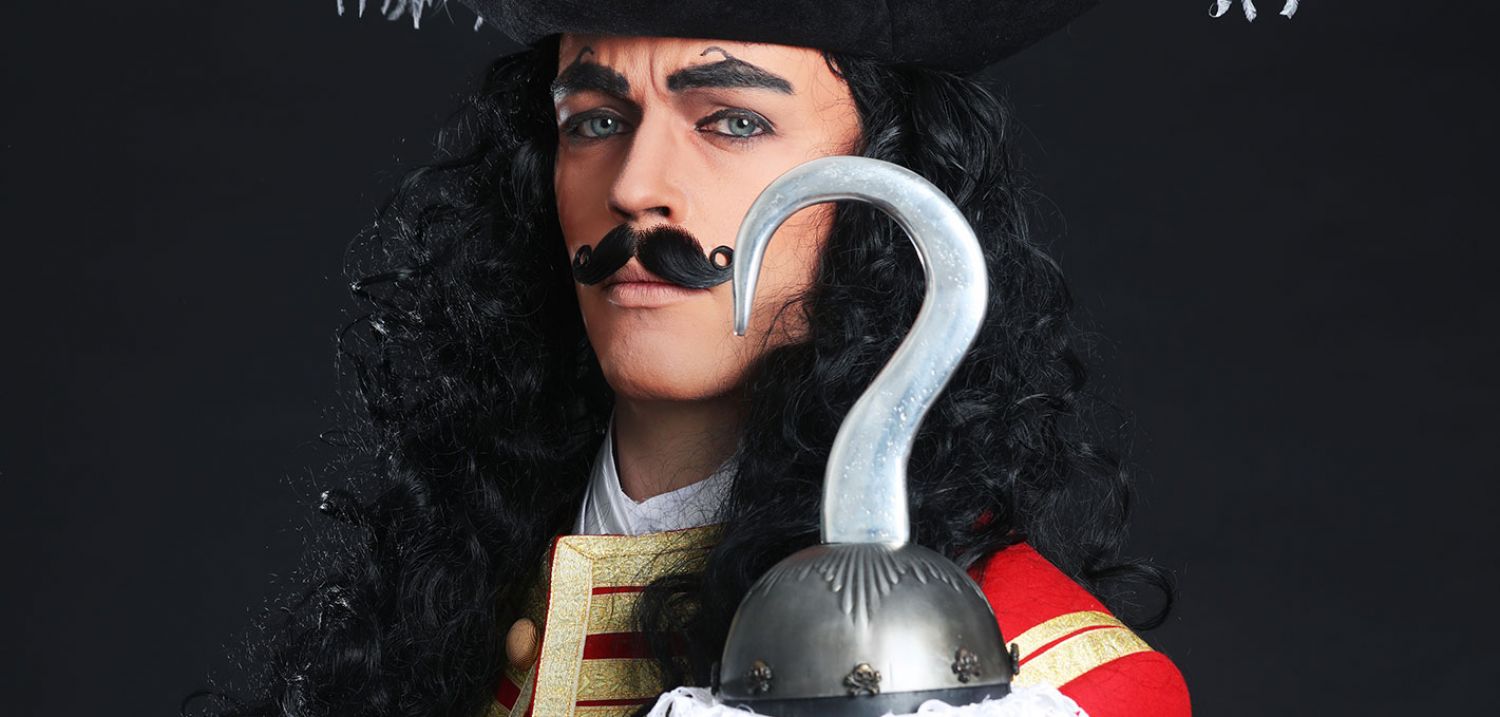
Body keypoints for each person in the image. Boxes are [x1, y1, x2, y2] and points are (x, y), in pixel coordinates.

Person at [202, 1, 1190, 715]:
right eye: (595, 121)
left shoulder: (1049, 688)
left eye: (732, 121)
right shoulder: (438, 610)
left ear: (891, 176)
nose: (635, 186)